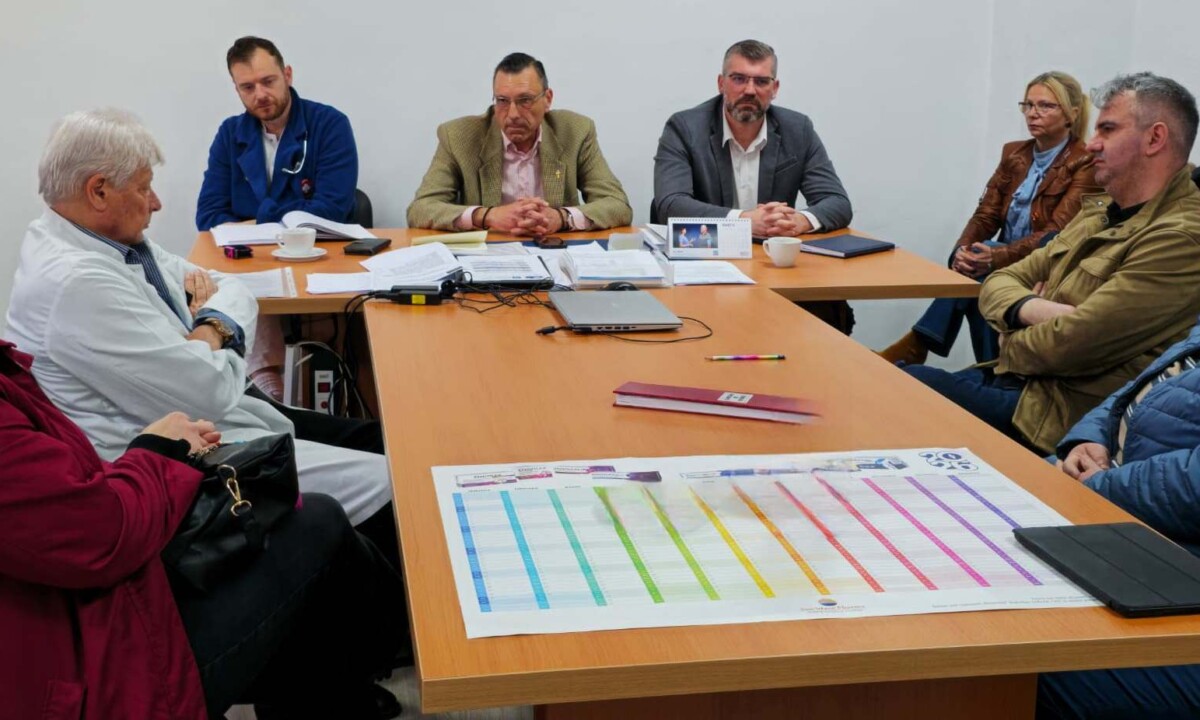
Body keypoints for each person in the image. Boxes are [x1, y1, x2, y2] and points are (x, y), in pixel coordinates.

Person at [4, 109, 399, 569]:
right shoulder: (74, 281)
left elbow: (231, 286)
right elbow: (207, 389)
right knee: (395, 483)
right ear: (99, 191)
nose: (156, 203)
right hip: (187, 461)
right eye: (144, 187)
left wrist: (206, 329)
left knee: (382, 440)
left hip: (220, 413)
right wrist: (215, 329)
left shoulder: (108, 241)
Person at [0, 339, 404, 719]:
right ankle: (392, 646)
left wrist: (208, 332)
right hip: (87, 660)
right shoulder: (72, 296)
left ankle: (350, 673)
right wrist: (157, 450)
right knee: (327, 525)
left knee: (309, 531)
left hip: (92, 590)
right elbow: (101, 531)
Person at [903, 72, 1200, 455]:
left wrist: (1009, 336)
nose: (1092, 144)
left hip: (1057, 415)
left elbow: (1076, 343)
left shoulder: (1181, 237)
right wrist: (1035, 308)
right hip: (1021, 385)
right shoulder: (1101, 211)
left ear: (1155, 139)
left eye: (1107, 129)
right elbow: (1001, 279)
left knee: (905, 387)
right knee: (893, 384)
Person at [1037, 310, 1200, 717]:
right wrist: (1087, 439)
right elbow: (1144, 385)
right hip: (1126, 516)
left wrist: (1099, 485)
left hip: (1164, 554)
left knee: (1016, 659)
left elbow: (1193, 486)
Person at [881, 71, 1100, 365]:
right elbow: (986, 215)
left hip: (1045, 265)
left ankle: (919, 343)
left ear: (1071, 113)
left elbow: (1056, 233)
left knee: (982, 269)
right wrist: (961, 251)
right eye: (1028, 105)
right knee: (977, 273)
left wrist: (993, 256)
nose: (1033, 113)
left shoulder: (1084, 161)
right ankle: (988, 367)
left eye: (1046, 106)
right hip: (999, 260)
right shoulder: (1015, 153)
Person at [651, 39, 854, 333]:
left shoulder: (797, 129)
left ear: (775, 88)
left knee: (827, 313)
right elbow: (670, 204)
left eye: (761, 81)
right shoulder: (685, 128)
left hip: (774, 269)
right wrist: (745, 221)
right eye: (739, 79)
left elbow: (837, 202)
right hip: (706, 266)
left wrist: (799, 221)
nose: (749, 90)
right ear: (721, 83)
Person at [196, 36, 359, 400]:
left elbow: (332, 208)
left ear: (287, 75)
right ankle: (269, 389)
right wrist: (287, 214)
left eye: (268, 81)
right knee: (237, 289)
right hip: (253, 262)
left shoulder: (329, 124)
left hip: (317, 261)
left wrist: (257, 218)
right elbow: (208, 216)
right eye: (247, 87)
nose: (260, 95)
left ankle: (295, 397)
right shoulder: (230, 135)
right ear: (237, 90)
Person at [406, 52, 632, 234]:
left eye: (525, 100)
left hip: (555, 251)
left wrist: (561, 218)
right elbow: (420, 209)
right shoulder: (458, 137)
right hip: (489, 254)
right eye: (502, 101)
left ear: (547, 99)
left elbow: (617, 204)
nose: (512, 114)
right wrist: (488, 216)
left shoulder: (575, 131)